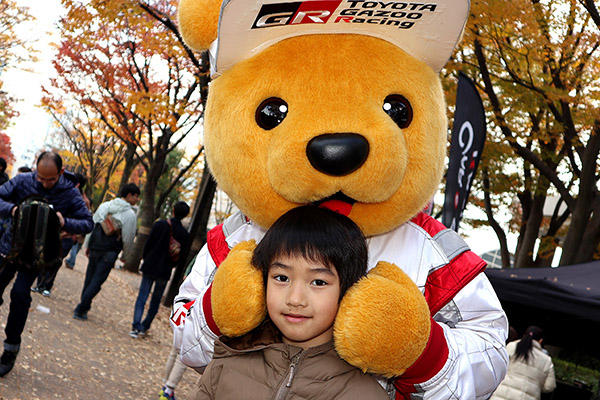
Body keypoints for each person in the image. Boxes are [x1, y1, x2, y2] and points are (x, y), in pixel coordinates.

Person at [196, 205, 389, 399]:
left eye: (318, 282)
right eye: (282, 278)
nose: (295, 299)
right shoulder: (224, 367)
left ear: (349, 291)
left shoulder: (367, 395)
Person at [0, 151, 93, 377]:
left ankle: (10, 350)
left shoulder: (70, 193)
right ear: (35, 170)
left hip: (36, 255)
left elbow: (88, 222)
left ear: (60, 173)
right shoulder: (22, 181)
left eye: (50, 180)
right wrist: (12, 210)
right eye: (40, 178)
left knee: (20, 295)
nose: (44, 183)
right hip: (9, 247)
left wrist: (64, 221)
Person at [73, 183, 139, 321]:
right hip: (110, 250)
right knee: (98, 280)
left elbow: (93, 224)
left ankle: (84, 306)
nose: (137, 199)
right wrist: (126, 256)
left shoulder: (105, 206)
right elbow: (128, 238)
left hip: (96, 246)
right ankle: (81, 307)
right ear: (128, 195)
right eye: (135, 196)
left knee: (90, 277)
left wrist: (87, 245)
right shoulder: (129, 214)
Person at [129, 201, 190, 338]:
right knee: (155, 301)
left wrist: (145, 258)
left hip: (151, 265)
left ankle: (135, 325)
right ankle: (145, 327)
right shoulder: (184, 235)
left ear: (173, 210)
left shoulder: (160, 225)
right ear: (185, 215)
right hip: (165, 270)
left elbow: (148, 244)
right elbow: (181, 256)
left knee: (142, 296)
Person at [33, 173, 91, 295]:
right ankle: (40, 284)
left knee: (56, 261)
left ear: (77, 184)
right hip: (53, 234)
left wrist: (71, 230)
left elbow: (85, 222)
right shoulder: (60, 193)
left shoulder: (82, 201)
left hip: (67, 236)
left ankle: (47, 286)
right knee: (44, 257)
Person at [491, 326, 556, 400]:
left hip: (500, 395)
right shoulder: (546, 360)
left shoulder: (511, 346)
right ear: (540, 341)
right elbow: (549, 386)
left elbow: (497, 367)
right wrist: (536, 385)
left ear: (524, 335)